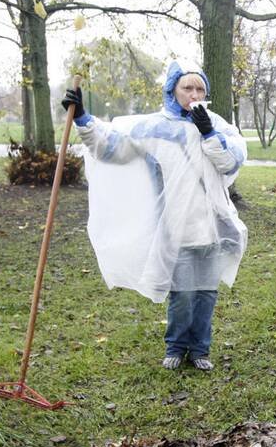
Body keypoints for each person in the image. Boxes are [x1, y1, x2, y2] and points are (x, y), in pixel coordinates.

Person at [61, 61, 247, 372]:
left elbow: (229, 163)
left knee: (205, 294)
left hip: (214, 226)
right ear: (173, 90)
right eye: (187, 87)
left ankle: (200, 349)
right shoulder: (156, 128)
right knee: (182, 293)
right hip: (177, 227)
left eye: (200, 88)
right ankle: (176, 346)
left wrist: (208, 132)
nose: (194, 93)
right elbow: (112, 147)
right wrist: (82, 118)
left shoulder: (220, 126)